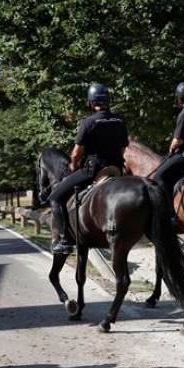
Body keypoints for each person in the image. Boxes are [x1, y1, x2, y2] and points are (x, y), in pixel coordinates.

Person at [48, 83, 129, 254]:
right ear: (108, 100)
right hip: (116, 169)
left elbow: (77, 153)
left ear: (91, 103)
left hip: (94, 169)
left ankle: (63, 240)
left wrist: (74, 166)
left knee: (55, 196)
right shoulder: (120, 121)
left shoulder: (88, 122)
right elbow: (123, 148)